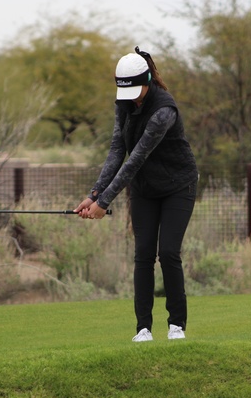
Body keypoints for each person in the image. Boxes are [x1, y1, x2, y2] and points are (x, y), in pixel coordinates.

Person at [75, 47, 198, 342]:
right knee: (143, 254)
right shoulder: (124, 103)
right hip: (144, 189)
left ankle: (176, 326)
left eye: (135, 92)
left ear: (148, 81)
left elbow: (136, 159)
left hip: (177, 186)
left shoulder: (164, 111)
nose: (131, 99)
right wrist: (95, 193)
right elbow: (117, 149)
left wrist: (104, 202)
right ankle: (143, 329)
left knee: (168, 253)